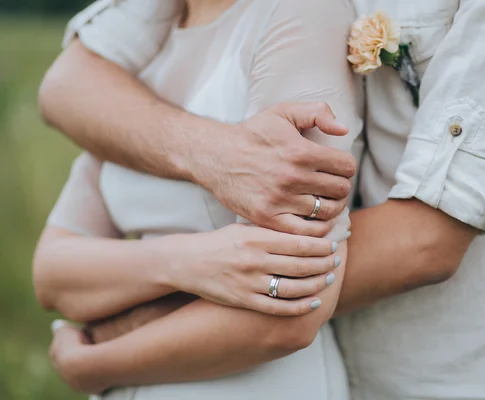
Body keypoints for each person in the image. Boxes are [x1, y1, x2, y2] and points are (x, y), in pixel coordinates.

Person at [39, 0, 485, 399]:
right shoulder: (167, 27)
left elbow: (426, 241)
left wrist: (131, 325)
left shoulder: (296, 17)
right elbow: (69, 84)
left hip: (460, 373)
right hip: (276, 353)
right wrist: (216, 155)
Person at [34, 0, 362, 398]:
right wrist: (187, 263)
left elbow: (290, 314)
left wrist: (95, 365)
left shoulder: (299, 16)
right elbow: (53, 275)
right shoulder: (137, 51)